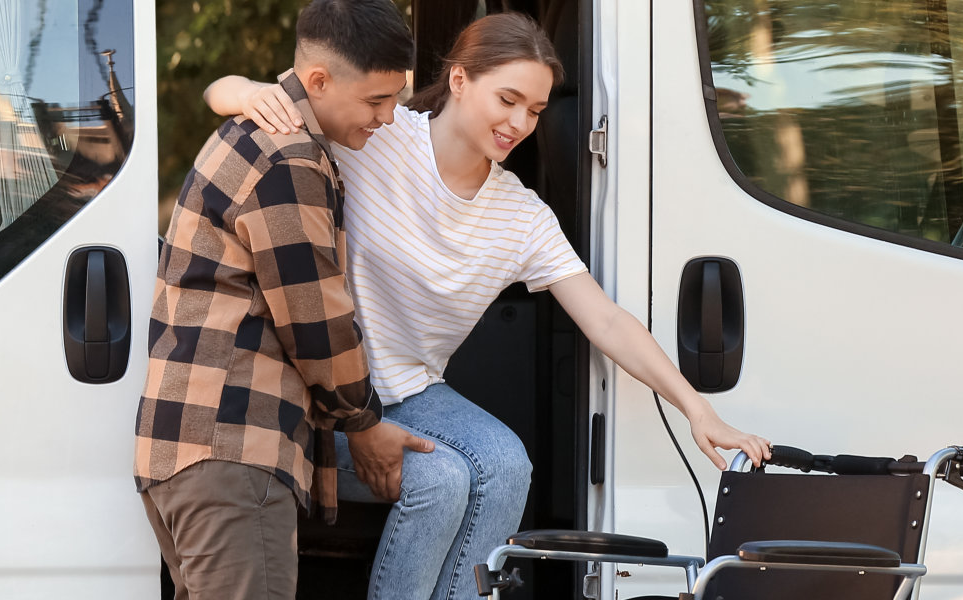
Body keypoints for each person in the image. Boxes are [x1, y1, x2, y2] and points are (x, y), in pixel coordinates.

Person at [205, 12, 773, 600]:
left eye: (535, 110)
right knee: (444, 481)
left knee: (507, 465)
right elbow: (224, 93)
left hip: (413, 392)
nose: (520, 123)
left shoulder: (520, 216)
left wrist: (695, 408)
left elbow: (604, 318)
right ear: (457, 80)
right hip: (332, 393)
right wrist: (248, 92)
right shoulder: (376, 134)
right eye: (508, 99)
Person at [135, 1, 435, 598]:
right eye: (376, 101)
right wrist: (363, 421)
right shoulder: (288, 159)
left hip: (189, 445)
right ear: (319, 81)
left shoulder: (254, 135)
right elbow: (315, 319)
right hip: (232, 448)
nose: (388, 118)